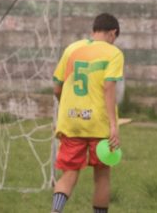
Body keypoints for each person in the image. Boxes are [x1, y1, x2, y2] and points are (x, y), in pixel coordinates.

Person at [51, 13, 124, 213]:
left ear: (94, 30)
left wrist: (65, 108)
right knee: (101, 175)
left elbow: (57, 87)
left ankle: (55, 211)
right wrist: (113, 126)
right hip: (99, 124)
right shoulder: (113, 53)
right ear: (113, 33)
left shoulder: (72, 49)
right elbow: (109, 88)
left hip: (72, 122)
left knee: (69, 173)